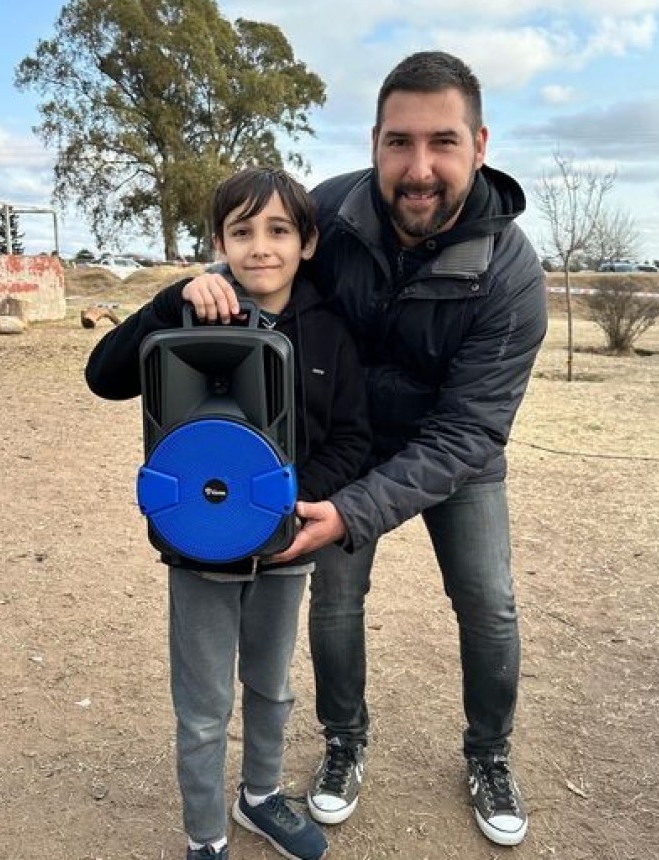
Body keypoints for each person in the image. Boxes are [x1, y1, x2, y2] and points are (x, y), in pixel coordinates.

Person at [185, 51, 548, 848]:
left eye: (443, 142)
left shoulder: (513, 273)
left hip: (456, 455)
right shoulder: (332, 211)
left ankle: (489, 754)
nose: (419, 168)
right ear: (375, 141)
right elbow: (259, 253)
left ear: (479, 144)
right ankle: (344, 744)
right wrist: (204, 282)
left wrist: (356, 511)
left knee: (489, 604)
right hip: (346, 450)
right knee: (337, 601)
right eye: (399, 142)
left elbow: (472, 426)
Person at [85, 167, 372, 860]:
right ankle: (205, 837)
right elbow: (103, 376)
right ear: (219, 240)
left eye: (279, 230)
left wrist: (296, 502)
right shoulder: (192, 310)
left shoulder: (331, 332)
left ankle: (262, 797)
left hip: (285, 548)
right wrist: (167, 300)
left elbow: (355, 439)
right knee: (204, 706)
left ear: (306, 243)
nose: (260, 247)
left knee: (271, 686)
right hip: (198, 550)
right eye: (241, 231)